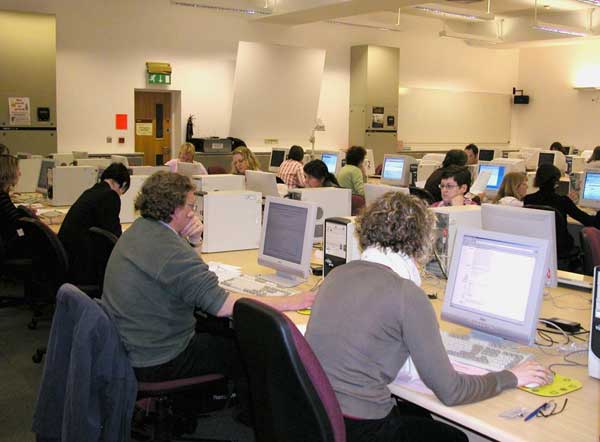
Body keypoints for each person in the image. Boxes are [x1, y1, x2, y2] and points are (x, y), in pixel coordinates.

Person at [305, 192, 552, 442]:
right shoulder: (405, 294)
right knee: (455, 437)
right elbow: (452, 391)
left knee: (418, 413)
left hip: (318, 416)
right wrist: (511, 376)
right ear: (420, 240)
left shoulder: (337, 275)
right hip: (363, 428)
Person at [101, 171, 315, 388]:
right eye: (191, 207)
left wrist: (193, 241)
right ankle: (249, 416)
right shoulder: (171, 250)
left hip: (133, 345)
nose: (194, 214)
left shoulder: (140, 230)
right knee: (250, 349)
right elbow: (222, 306)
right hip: (159, 358)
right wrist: (291, 301)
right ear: (175, 210)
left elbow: (186, 277)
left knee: (221, 331)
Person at [58, 163, 131, 285]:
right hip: (81, 265)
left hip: (68, 257)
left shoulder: (91, 191)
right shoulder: (110, 195)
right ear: (122, 185)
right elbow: (114, 235)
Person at [523, 164, 600, 269]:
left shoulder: (528, 199)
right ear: (556, 183)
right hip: (561, 249)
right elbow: (589, 221)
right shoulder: (562, 201)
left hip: (540, 247)